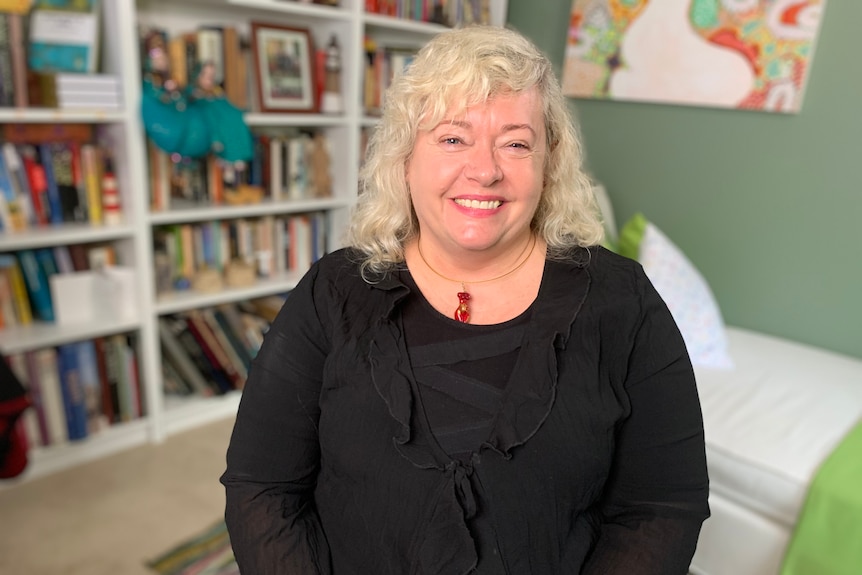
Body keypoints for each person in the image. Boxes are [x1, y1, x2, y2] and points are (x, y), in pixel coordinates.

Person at [220, 25, 709, 574]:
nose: (485, 169)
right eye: (453, 138)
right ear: (406, 158)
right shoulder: (331, 291)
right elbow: (262, 487)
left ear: (549, 167)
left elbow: (662, 508)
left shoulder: (625, 302)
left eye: (516, 143)